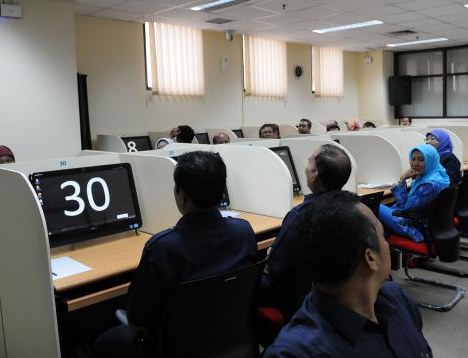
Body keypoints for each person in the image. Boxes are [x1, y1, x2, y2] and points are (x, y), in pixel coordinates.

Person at [93, 151, 258, 358]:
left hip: (174, 346)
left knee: (103, 341)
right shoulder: (243, 231)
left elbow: (137, 317)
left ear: (182, 196)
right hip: (229, 334)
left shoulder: (163, 247)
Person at [265, 191, 432, 358]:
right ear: (370, 257)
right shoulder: (297, 353)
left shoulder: (398, 299)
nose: (386, 244)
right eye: (383, 236)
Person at [263, 144, 352, 319]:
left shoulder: (299, 216)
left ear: (314, 175)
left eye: (309, 162)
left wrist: (272, 251)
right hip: (339, 297)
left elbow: (277, 267)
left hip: (302, 301)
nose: (305, 167)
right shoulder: (354, 207)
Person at [378, 144, 449, 242]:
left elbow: (404, 207)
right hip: (419, 220)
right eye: (413, 159)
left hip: (414, 227)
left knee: (373, 206)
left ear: (430, 160)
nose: (415, 164)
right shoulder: (437, 174)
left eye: (421, 160)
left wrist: (402, 179)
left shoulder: (429, 185)